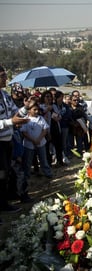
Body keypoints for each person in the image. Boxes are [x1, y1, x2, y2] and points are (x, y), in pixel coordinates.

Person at [0, 65, 29, 213]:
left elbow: (14, 112)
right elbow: (11, 119)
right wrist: (11, 122)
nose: (6, 78)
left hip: (7, 141)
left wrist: (26, 108)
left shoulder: (4, 95)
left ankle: (4, 203)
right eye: (2, 76)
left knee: (5, 175)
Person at [20, 100, 53, 186]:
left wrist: (39, 139)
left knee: (43, 159)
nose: (37, 111)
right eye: (34, 109)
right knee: (28, 162)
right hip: (29, 144)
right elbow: (24, 132)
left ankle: (48, 173)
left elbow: (45, 129)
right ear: (29, 110)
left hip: (40, 143)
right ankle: (26, 177)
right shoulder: (25, 119)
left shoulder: (40, 118)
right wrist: (33, 140)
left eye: (37, 109)